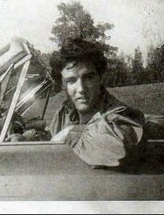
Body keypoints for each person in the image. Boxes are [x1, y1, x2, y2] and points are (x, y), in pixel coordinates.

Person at [47, 38, 147, 167]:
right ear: (63, 85)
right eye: (71, 81)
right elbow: (53, 135)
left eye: (89, 78)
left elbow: (118, 145)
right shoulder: (66, 110)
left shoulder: (121, 114)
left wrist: (70, 132)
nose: (81, 89)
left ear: (100, 79)